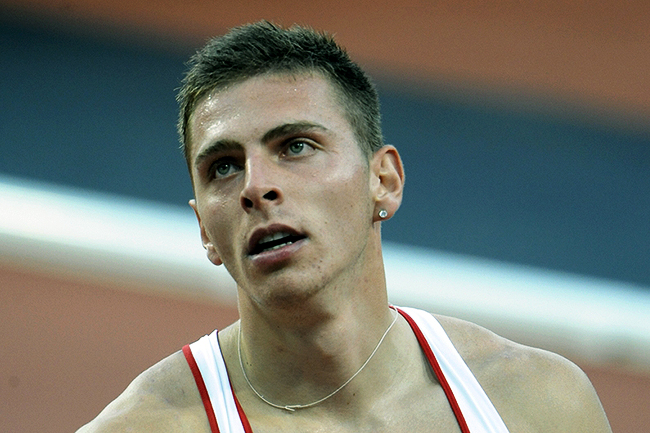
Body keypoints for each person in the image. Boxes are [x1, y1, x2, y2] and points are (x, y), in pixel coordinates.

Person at [78, 21, 612, 432]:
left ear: (384, 181)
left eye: (296, 146)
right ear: (203, 230)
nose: (255, 187)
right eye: (223, 166)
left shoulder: (537, 404)